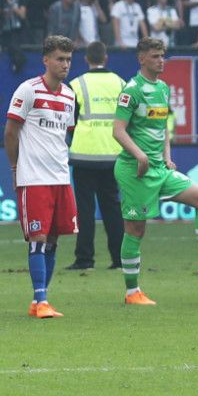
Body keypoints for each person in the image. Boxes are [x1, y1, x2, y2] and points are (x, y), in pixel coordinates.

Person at [112, 36, 198, 305]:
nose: (161, 60)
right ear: (142, 59)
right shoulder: (132, 90)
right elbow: (118, 130)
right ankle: (132, 293)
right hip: (134, 171)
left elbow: (162, 128)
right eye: (155, 56)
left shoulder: (162, 88)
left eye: (163, 55)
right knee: (135, 229)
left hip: (159, 169)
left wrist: (167, 157)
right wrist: (139, 155)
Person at [4, 36, 81, 318]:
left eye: (69, 60)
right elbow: (10, 132)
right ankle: (41, 299)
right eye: (60, 59)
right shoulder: (28, 90)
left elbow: (65, 134)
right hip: (33, 177)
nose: (65, 65)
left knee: (53, 240)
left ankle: (40, 301)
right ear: (46, 60)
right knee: (37, 237)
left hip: (60, 177)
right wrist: (15, 169)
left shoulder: (70, 94)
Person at [65, 41, 125, 271]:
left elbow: (68, 122)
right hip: (113, 154)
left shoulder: (76, 84)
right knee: (112, 208)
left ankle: (84, 259)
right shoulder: (121, 83)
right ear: (106, 58)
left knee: (85, 210)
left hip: (84, 155)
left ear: (86, 59)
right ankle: (119, 260)